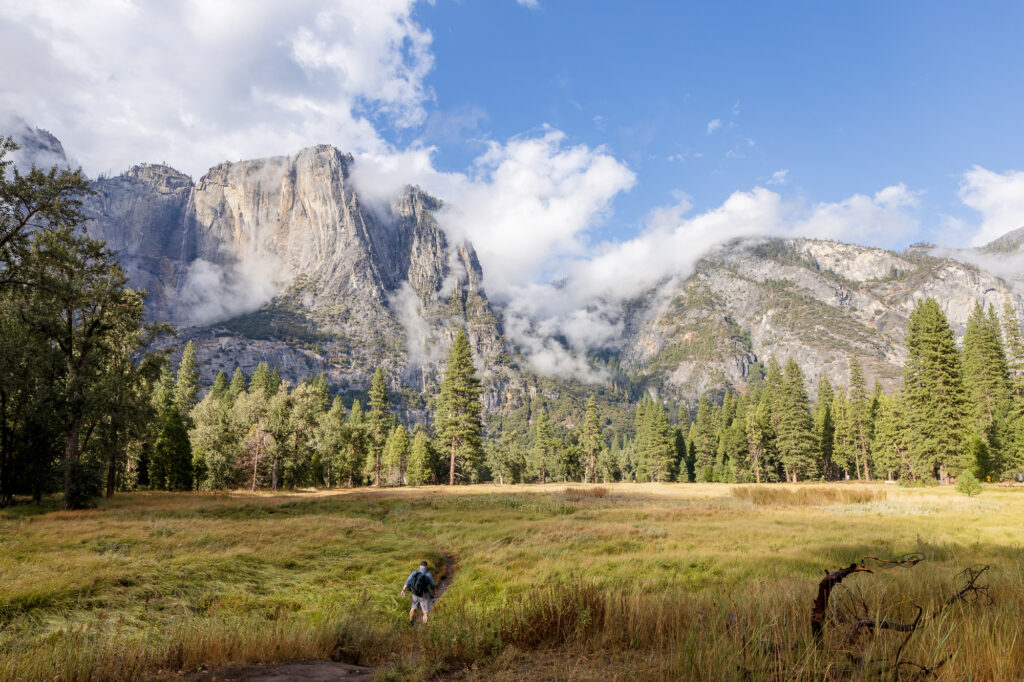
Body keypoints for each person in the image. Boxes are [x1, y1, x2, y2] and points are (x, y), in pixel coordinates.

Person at [400, 560, 436, 625]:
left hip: (415, 594)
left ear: (420, 566)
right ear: (426, 566)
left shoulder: (415, 572)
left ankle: (411, 622)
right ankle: (425, 627)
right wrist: (434, 592)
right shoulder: (428, 574)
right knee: (425, 611)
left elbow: (407, 582)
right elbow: (432, 585)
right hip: (424, 595)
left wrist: (403, 590)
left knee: (413, 608)